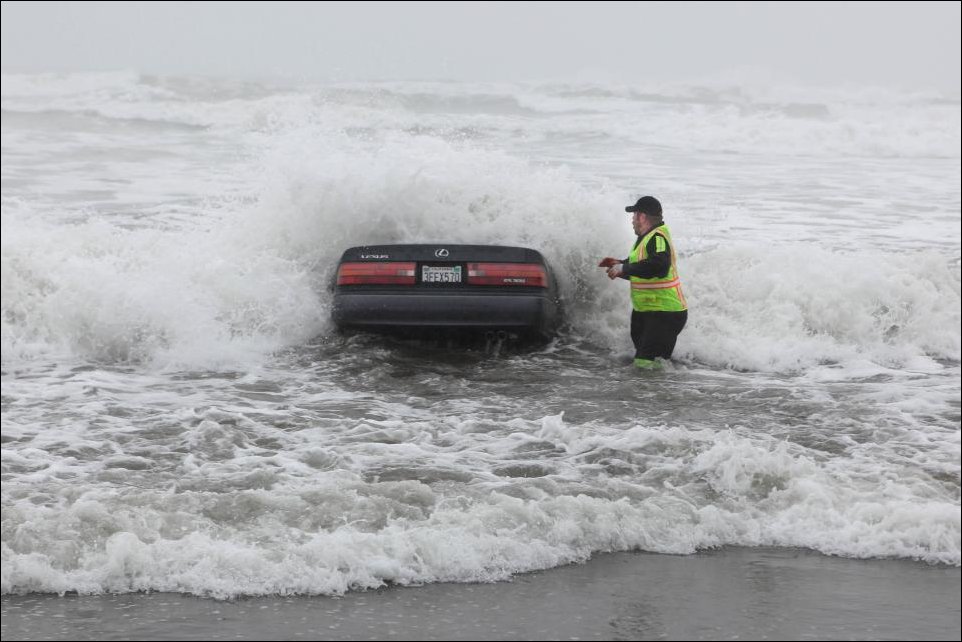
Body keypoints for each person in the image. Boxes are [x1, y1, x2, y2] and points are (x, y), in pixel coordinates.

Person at [598, 196, 688, 369]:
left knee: (644, 363)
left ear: (642, 216)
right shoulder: (645, 239)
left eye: (634, 215)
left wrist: (624, 268)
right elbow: (643, 270)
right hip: (648, 311)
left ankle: (654, 393)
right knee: (650, 362)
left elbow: (659, 266)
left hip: (665, 312)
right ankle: (657, 392)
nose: (632, 220)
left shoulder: (658, 237)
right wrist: (619, 265)